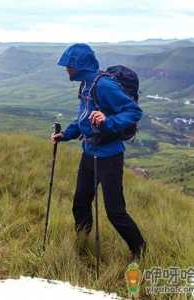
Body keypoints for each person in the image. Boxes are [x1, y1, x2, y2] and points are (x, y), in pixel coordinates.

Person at [51, 44, 146, 260]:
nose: (66, 70)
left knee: (115, 211)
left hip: (109, 156)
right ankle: (82, 243)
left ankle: (140, 250)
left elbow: (133, 111)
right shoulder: (86, 84)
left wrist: (109, 122)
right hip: (89, 152)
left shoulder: (103, 85)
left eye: (69, 66)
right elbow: (83, 118)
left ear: (80, 66)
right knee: (81, 203)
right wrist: (65, 134)